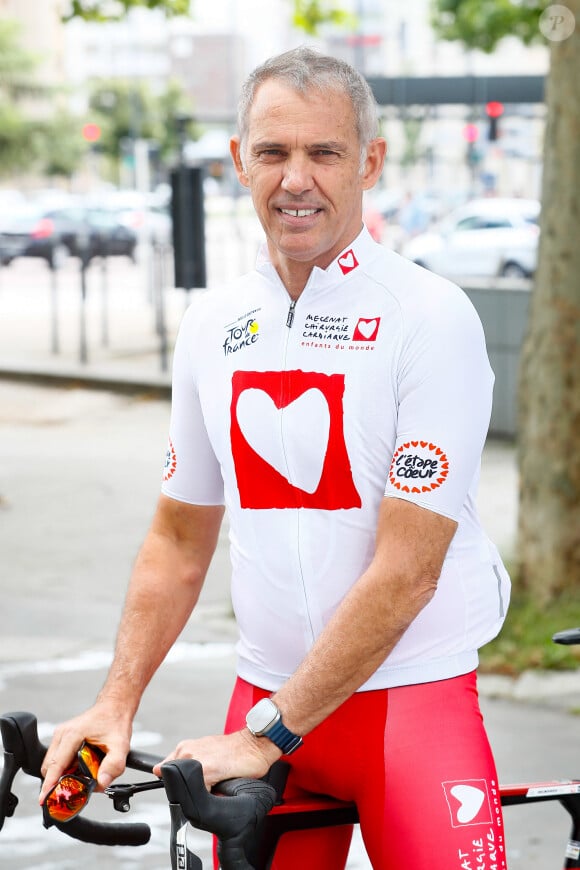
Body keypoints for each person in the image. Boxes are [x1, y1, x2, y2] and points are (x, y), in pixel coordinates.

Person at [40, 47, 510, 869]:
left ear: (369, 160)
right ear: (238, 162)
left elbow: (409, 572)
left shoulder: (430, 317)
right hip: (261, 705)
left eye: (324, 152)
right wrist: (117, 703)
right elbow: (179, 539)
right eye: (273, 152)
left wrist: (275, 733)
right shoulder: (214, 324)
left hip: (407, 707)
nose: (297, 179)